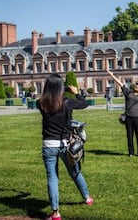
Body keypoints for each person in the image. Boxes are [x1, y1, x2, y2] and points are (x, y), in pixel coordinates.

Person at [36, 73, 93, 220]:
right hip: (66, 144)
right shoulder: (67, 102)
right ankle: (87, 198)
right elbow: (84, 104)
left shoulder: (41, 103)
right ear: (61, 87)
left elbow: (51, 98)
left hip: (48, 144)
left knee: (52, 178)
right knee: (75, 172)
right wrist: (76, 92)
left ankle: (55, 213)